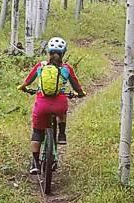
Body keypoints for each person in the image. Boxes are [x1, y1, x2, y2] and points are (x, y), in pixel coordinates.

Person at [19, 37, 85, 175]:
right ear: (64, 53)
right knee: (62, 112)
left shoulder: (41, 66)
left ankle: (35, 164)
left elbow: (27, 82)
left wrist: (23, 87)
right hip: (59, 103)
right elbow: (76, 86)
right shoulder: (66, 68)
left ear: (48, 52)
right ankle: (61, 134)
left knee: (37, 132)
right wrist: (80, 93)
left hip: (41, 104)